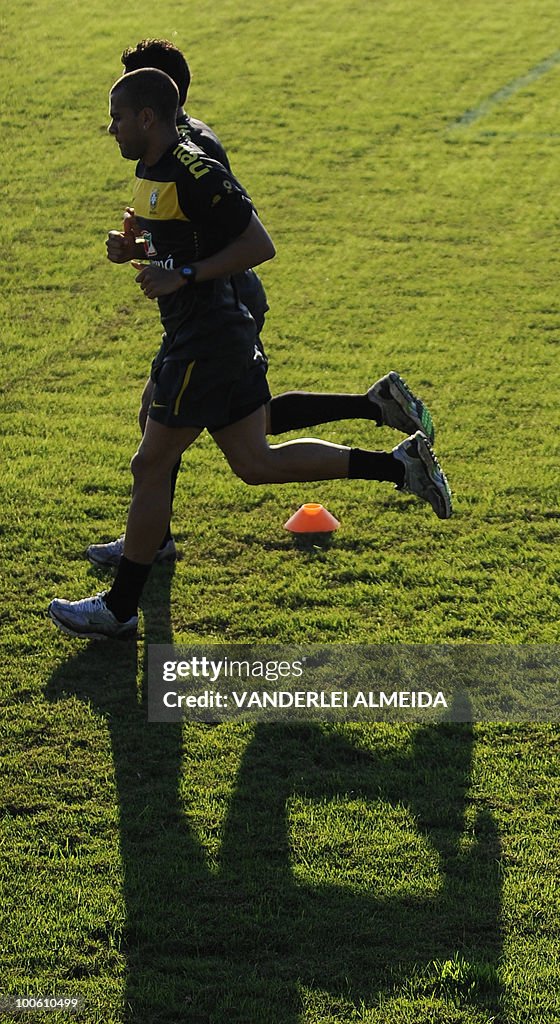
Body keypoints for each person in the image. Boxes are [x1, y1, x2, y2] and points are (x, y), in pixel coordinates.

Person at [48, 68, 452, 640]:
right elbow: (182, 239)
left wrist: (182, 274)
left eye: (116, 118)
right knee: (254, 462)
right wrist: (134, 249)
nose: (108, 128)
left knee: (150, 464)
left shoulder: (196, 167)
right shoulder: (151, 166)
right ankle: (400, 466)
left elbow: (258, 244)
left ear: (146, 117)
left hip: (207, 340)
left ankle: (119, 609)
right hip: (202, 335)